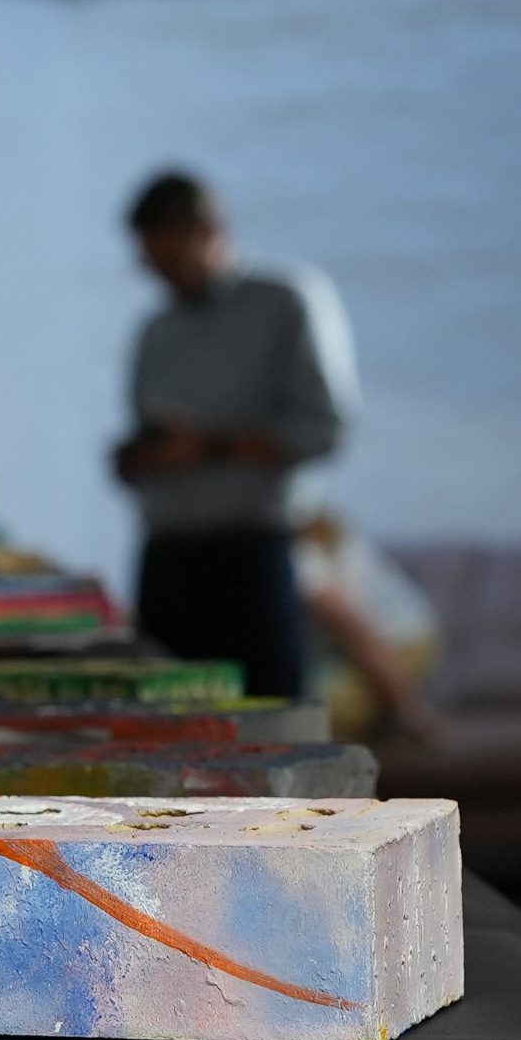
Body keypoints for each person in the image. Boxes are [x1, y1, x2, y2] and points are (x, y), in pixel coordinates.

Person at [113, 171, 345, 701]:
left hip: (249, 559)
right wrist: (138, 457)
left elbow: (321, 430)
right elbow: (148, 435)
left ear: (210, 231)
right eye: (151, 263)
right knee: (162, 737)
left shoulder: (285, 302)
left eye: (171, 260)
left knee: (268, 726)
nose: (161, 276)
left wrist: (209, 447)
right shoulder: (157, 330)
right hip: (167, 559)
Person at [292, 508, 443, 744]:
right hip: (338, 652)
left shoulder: (296, 553)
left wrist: (411, 712)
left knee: (294, 724)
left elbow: (354, 630)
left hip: (397, 642)